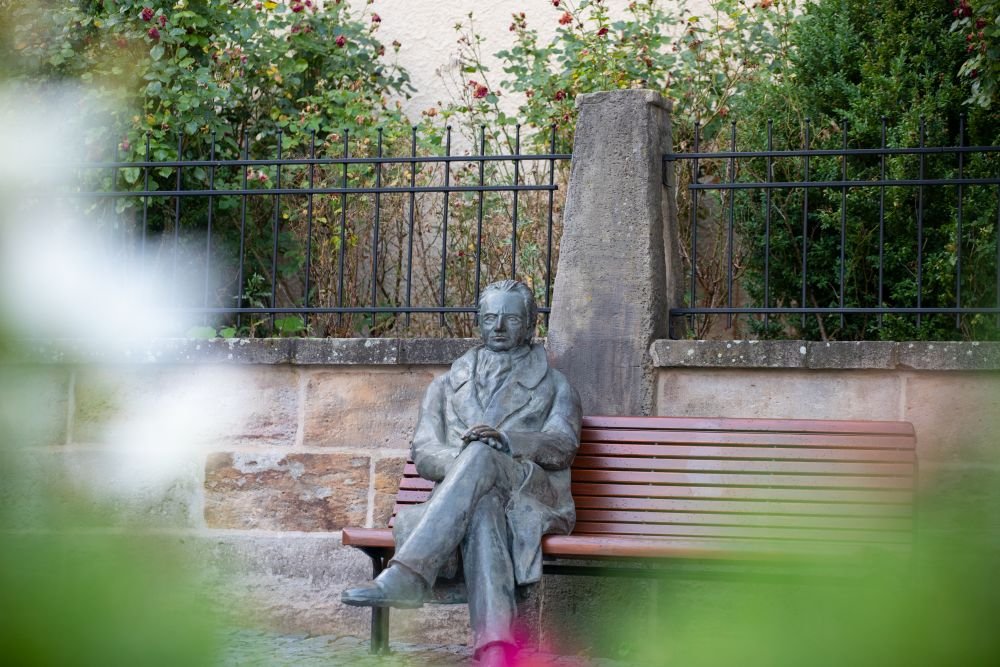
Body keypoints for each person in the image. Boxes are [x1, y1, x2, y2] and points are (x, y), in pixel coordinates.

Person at [342, 279, 582, 667]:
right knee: (483, 506)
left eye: (510, 319)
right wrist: (469, 461)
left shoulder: (555, 386)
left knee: (483, 458)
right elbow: (425, 452)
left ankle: (408, 574)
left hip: (528, 492)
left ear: (530, 324)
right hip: (472, 501)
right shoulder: (445, 386)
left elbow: (561, 446)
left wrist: (505, 441)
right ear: (477, 322)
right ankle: (496, 650)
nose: (499, 327)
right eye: (490, 318)